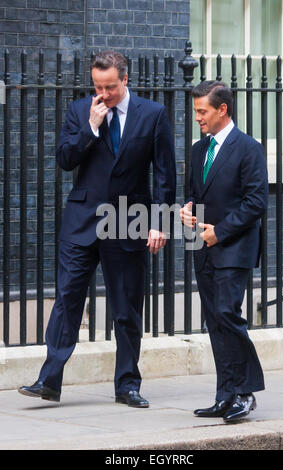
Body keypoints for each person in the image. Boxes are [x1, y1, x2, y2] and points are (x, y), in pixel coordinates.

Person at [19, 51, 176, 408]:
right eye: (97, 86)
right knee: (67, 299)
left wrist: (160, 222)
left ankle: (127, 385)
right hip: (81, 221)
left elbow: (165, 174)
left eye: (110, 87)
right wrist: (90, 127)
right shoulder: (79, 111)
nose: (103, 93)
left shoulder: (152, 114)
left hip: (129, 221)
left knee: (126, 307)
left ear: (125, 79)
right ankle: (49, 379)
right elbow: (64, 160)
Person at [180, 81, 268, 423]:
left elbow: (255, 202)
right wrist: (187, 210)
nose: (197, 118)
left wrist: (221, 231)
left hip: (234, 248)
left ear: (222, 110)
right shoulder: (198, 150)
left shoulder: (249, 148)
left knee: (227, 314)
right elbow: (193, 193)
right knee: (215, 319)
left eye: (202, 111)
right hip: (203, 247)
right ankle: (225, 394)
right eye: (196, 111)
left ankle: (244, 393)